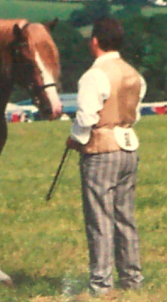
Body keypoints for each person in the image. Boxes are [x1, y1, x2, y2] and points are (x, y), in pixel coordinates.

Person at [66, 17, 146, 295]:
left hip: (101, 150)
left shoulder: (94, 75)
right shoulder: (134, 74)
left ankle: (101, 284)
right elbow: (134, 111)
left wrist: (75, 138)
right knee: (125, 217)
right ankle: (132, 279)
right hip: (128, 146)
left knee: (99, 218)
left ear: (96, 41)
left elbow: (87, 116)